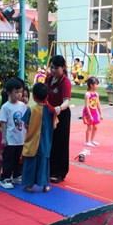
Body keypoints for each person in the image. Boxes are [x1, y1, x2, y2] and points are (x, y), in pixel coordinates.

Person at [22, 82, 55, 193]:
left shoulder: (31, 110)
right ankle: (45, 185)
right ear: (46, 96)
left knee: (30, 164)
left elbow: (26, 125)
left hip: (32, 141)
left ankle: (29, 186)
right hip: (45, 142)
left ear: (34, 97)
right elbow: (54, 126)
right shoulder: (51, 111)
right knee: (44, 164)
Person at [45, 55, 72, 183]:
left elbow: (67, 101)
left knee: (61, 143)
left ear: (63, 68)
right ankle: (50, 169)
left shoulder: (65, 82)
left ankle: (60, 172)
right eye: (51, 67)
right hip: (50, 113)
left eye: (56, 68)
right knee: (50, 141)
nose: (53, 70)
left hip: (62, 115)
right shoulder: (49, 78)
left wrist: (60, 108)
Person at [0, 78, 27, 189]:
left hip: (20, 138)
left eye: (20, 92)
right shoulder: (6, 107)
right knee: (8, 159)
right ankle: (5, 178)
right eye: (16, 92)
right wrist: (4, 138)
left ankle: (16, 175)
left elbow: (24, 121)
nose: (19, 94)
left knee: (17, 158)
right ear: (9, 92)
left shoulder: (22, 105)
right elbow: (3, 123)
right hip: (10, 138)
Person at [83, 76, 102, 146]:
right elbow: (87, 105)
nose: (97, 86)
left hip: (94, 112)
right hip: (88, 112)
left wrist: (100, 113)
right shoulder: (87, 94)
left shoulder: (96, 94)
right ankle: (87, 141)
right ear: (91, 85)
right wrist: (90, 115)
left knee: (95, 127)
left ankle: (92, 140)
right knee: (90, 126)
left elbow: (98, 104)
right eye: (96, 84)